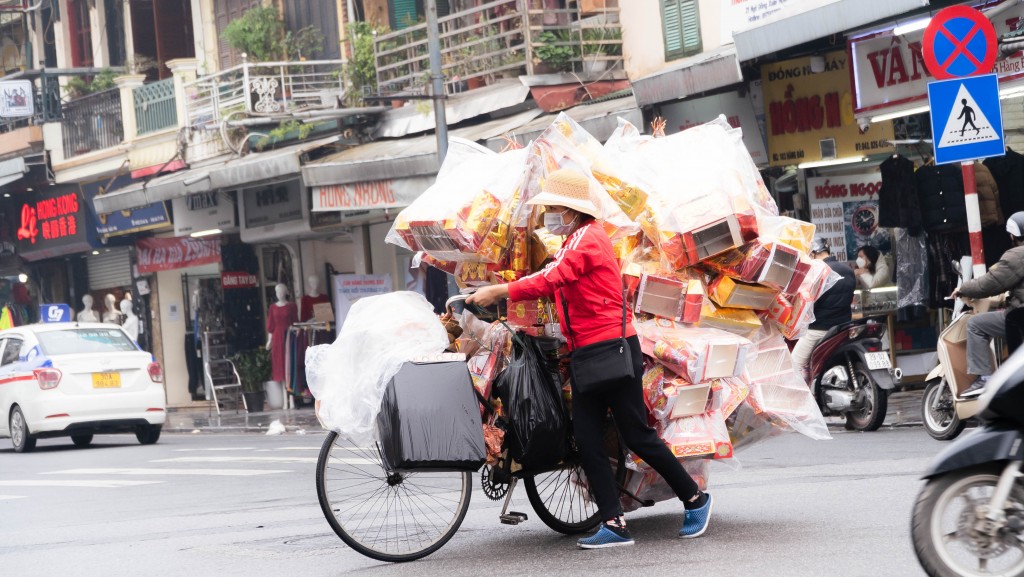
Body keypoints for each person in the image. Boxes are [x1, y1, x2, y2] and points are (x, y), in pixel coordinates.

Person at [467, 168, 711, 549]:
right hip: (587, 353)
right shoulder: (573, 240)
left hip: (612, 350)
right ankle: (614, 523)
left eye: (553, 208)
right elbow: (554, 280)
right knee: (586, 439)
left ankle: (695, 499)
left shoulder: (588, 239)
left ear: (570, 209)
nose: (549, 214)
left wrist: (500, 291)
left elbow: (553, 279)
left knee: (637, 436)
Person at [951, 211, 1024, 397]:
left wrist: (963, 289)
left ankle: (984, 379)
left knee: (976, 324)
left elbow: (989, 284)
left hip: (1020, 316)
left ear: (1012, 235)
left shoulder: (1016, 256)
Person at [791, 238, 857, 382]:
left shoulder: (818, 272)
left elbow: (810, 302)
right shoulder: (848, 270)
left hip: (818, 329)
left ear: (813, 254)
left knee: (794, 364)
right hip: (843, 327)